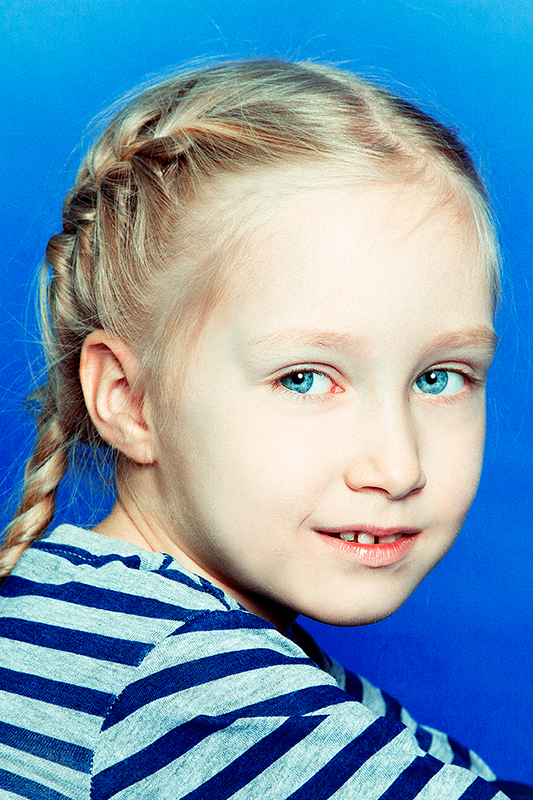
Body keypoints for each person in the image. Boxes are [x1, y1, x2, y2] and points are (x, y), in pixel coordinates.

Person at [0, 59, 530, 800]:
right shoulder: (187, 687)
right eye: (304, 378)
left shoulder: (84, 613)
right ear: (128, 398)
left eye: (438, 377)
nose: (398, 465)